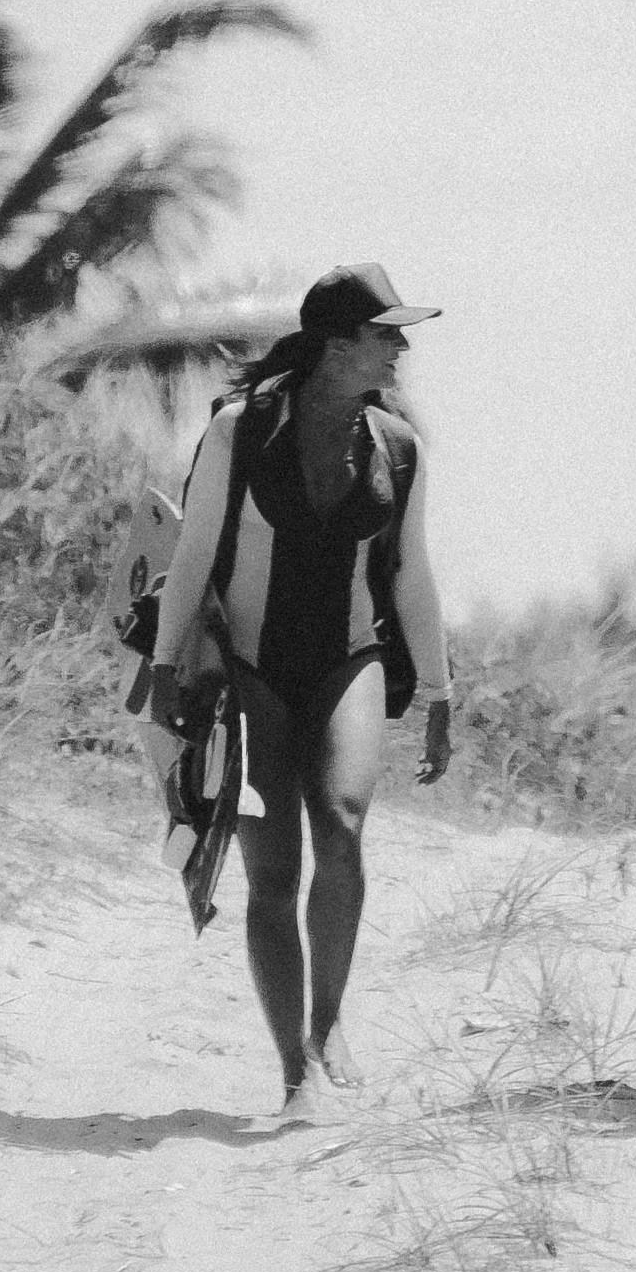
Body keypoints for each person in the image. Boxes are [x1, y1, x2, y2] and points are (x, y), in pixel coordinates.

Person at [151, 263, 454, 1118]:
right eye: (386, 331)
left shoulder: (397, 446)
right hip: (249, 666)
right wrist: (169, 666)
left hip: (348, 659)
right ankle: (295, 1073)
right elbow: (195, 551)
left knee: (345, 828)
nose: (401, 346)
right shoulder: (243, 433)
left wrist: (436, 691)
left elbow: (413, 577)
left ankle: (328, 1024)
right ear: (337, 343)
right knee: (273, 871)